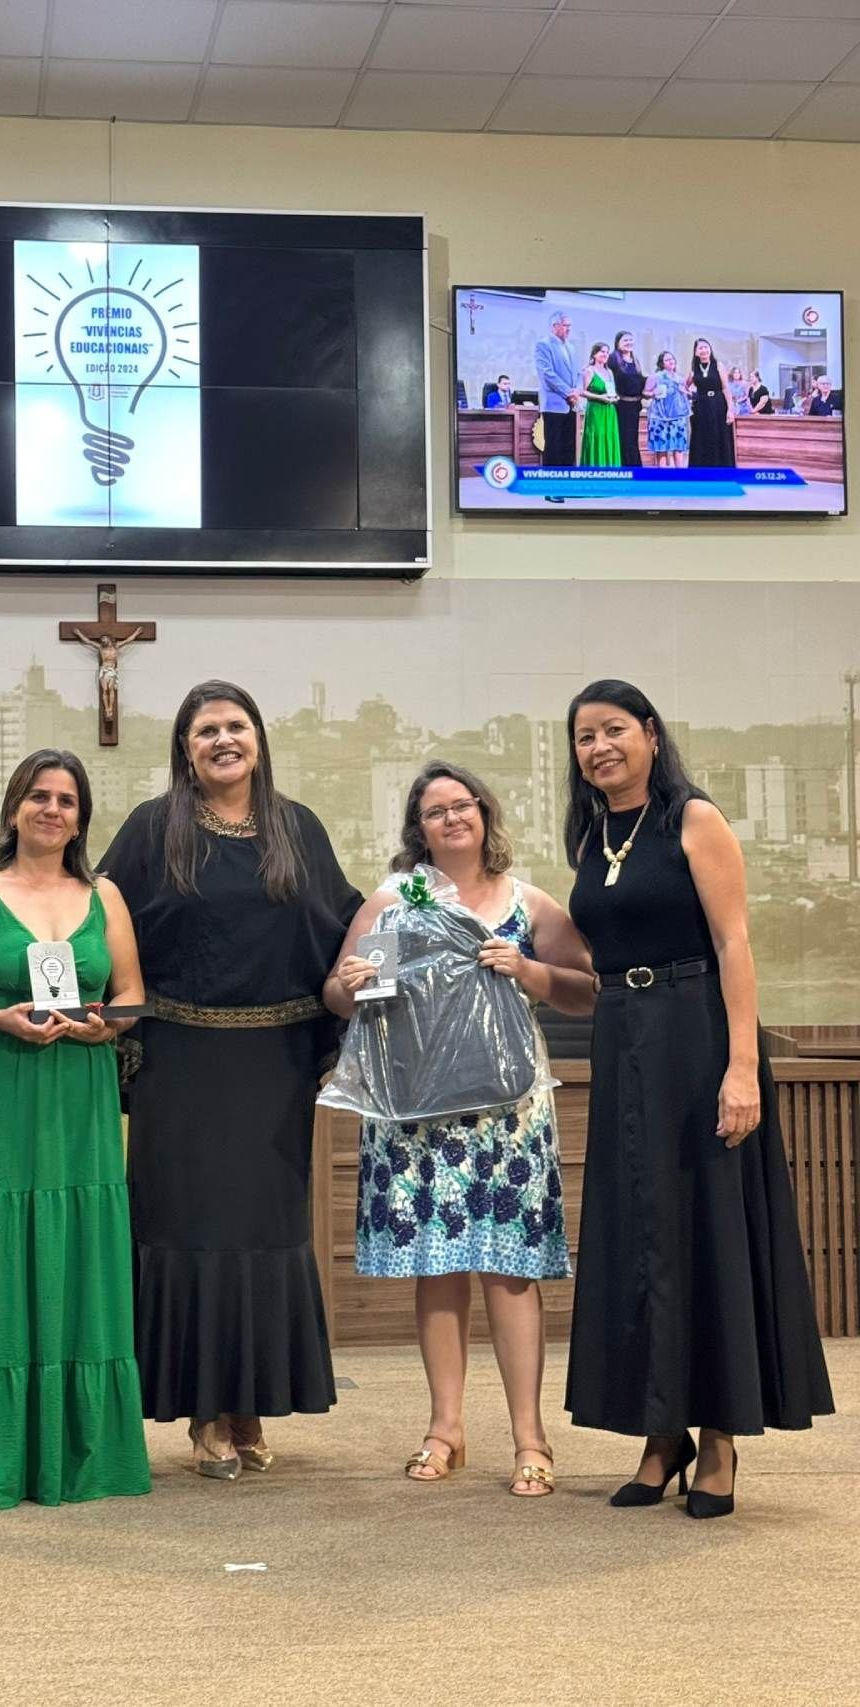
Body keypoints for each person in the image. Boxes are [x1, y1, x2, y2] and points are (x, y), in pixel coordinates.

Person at [562, 679, 834, 1519]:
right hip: (623, 1040)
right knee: (640, 1234)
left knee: (706, 1226)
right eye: (584, 737)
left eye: (613, 729)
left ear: (650, 733)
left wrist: (743, 1066)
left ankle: (718, 1439)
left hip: (697, 1033)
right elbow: (594, 956)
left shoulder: (693, 818)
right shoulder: (591, 834)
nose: (599, 747)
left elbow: (734, 941)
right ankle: (661, 1432)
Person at [100, 680, 361, 1479]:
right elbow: (95, 911)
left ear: (258, 738)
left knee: (265, 1236)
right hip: (180, 1067)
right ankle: (205, 1410)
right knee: (193, 1233)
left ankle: (250, 1402)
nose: (223, 739)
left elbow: (347, 919)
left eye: (235, 725)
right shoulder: (153, 829)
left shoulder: (297, 828)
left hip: (274, 1069)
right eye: (205, 729)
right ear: (185, 748)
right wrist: (10, 880)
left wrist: (418, 922)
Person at [325, 763, 594, 1498]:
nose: (451, 818)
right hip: (417, 1114)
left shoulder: (527, 902)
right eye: (434, 810)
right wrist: (348, 984)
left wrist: (527, 970)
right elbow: (338, 994)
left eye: (462, 805)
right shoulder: (393, 900)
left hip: (508, 1115)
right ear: (418, 828)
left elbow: (587, 989)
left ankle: (530, 1438)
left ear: (484, 813)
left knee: (509, 1271)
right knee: (436, 1267)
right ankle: (445, 1429)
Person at [0, 751, 151, 1508]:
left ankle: (84, 1453)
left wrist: (104, 1026)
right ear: (14, 806)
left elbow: (131, 994)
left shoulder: (105, 894)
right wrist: (0, 1017)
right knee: (3, 1251)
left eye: (67, 800)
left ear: (81, 818)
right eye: (39, 796)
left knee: (82, 1248)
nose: (52, 810)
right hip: (7, 1084)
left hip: (82, 1090)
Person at [534, 309, 580, 476]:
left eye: (570, 325)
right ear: (555, 326)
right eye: (566, 325)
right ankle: (552, 483)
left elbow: (577, 374)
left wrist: (577, 390)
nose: (569, 329)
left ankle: (566, 481)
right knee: (554, 446)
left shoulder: (571, 347)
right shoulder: (543, 345)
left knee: (569, 446)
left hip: (572, 405)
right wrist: (569, 393)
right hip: (554, 404)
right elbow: (547, 374)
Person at [685, 338, 735, 466]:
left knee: (719, 435)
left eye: (706, 347)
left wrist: (730, 410)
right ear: (696, 352)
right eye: (700, 348)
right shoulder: (693, 369)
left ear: (710, 349)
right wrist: (690, 395)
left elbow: (725, 388)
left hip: (718, 404)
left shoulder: (718, 365)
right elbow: (684, 387)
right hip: (701, 407)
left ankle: (721, 469)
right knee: (701, 437)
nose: (704, 350)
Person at [645, 351, 690, 468]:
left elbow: (687, 393)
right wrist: (653, 393)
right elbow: (645, 393)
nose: (671, 361)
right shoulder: (655, 377)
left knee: (678, 447)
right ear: (662, 363)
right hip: (660, 417)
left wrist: (686, 392)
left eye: (672, 359)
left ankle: (679, 474)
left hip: (678, 416)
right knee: (662, 448)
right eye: (667, 360)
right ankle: (662, 475)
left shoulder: (680, 379)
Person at [577, 342, 620, 468]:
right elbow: (582, 392)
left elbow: (611, 391)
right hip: (596, 410)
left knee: (609, 437)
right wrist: (600, 397)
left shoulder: (609, 372)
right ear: (594, 354)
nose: (605, 354)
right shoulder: (589, 371)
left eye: (607, 352)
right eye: (602, 351)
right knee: (597, 437)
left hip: (610, 411)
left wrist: (616, 397)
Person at [608, 330, 645, 466]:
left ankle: (635, 468)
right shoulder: (613, 359)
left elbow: (639, 381)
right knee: (625, 438)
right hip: (621, 405)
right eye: (625, 340)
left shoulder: (635, 360)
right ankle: (626, 468)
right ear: (617, 343)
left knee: (633, 439)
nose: (629, 342)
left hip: (635, 405)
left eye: (630, 340)